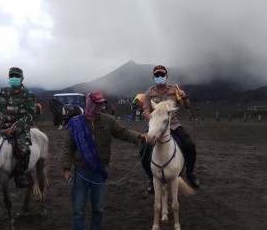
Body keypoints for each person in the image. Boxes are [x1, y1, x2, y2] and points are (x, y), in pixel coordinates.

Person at [61, 91, 145, 230]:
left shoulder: (108, 120)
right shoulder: (75, 123)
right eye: (96, 103)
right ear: (89, 103)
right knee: (78, 210)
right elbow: (68, 147)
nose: (99, 106)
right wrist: (66, 167)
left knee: (98, 209)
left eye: (101, 103)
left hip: (99, 171)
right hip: (81, 172)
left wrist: (141, 137)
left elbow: (123, 132)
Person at [140, 65, 200, 194]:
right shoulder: (149, 92)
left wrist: (184, 97)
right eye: (157, 75)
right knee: (144, 149)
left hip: (173, 125)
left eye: (162, 75)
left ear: (166, 76)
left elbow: (186, 106)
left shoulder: (174, 90)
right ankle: (151, 178)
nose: (159, 77)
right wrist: (153, 121)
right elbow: (146, 110)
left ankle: (190, 173)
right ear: (153, 77)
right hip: (156, 126)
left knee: (189, 145)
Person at [0, 67, 36, 188]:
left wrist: (15, 128)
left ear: (22, 78)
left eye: (16, 76)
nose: (14, 78)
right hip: (2, 126)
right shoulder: (3, 92)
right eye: (11, 76)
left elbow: (30, 115)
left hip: (20, 128)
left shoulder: (28, 94)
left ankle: (20, 176)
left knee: (24, 150)